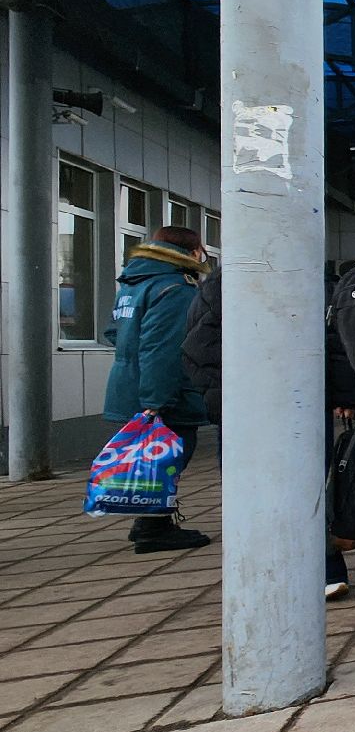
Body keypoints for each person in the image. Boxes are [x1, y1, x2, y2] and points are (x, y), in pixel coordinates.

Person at [183, 269, 355, 595]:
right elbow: (338, 339)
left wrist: (223, 394)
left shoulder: (223, 281)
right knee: (307, 486)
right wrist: (346, 395)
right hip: (296, 401)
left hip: (254, 405)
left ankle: (273, 573)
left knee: (255, 490)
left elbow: (199, 345)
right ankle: (320, 572)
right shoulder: (311, 274)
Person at [103, 227, 213, 553]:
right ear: (191, 253)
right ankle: (153, 527)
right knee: (170, 455)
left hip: (128, 383)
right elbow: (162, 349)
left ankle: (151, 522)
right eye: (200, 251)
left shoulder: (132, 285)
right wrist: (156, 401)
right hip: (163, 391)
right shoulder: (175, 289)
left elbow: (115, 332)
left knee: (153, 459)